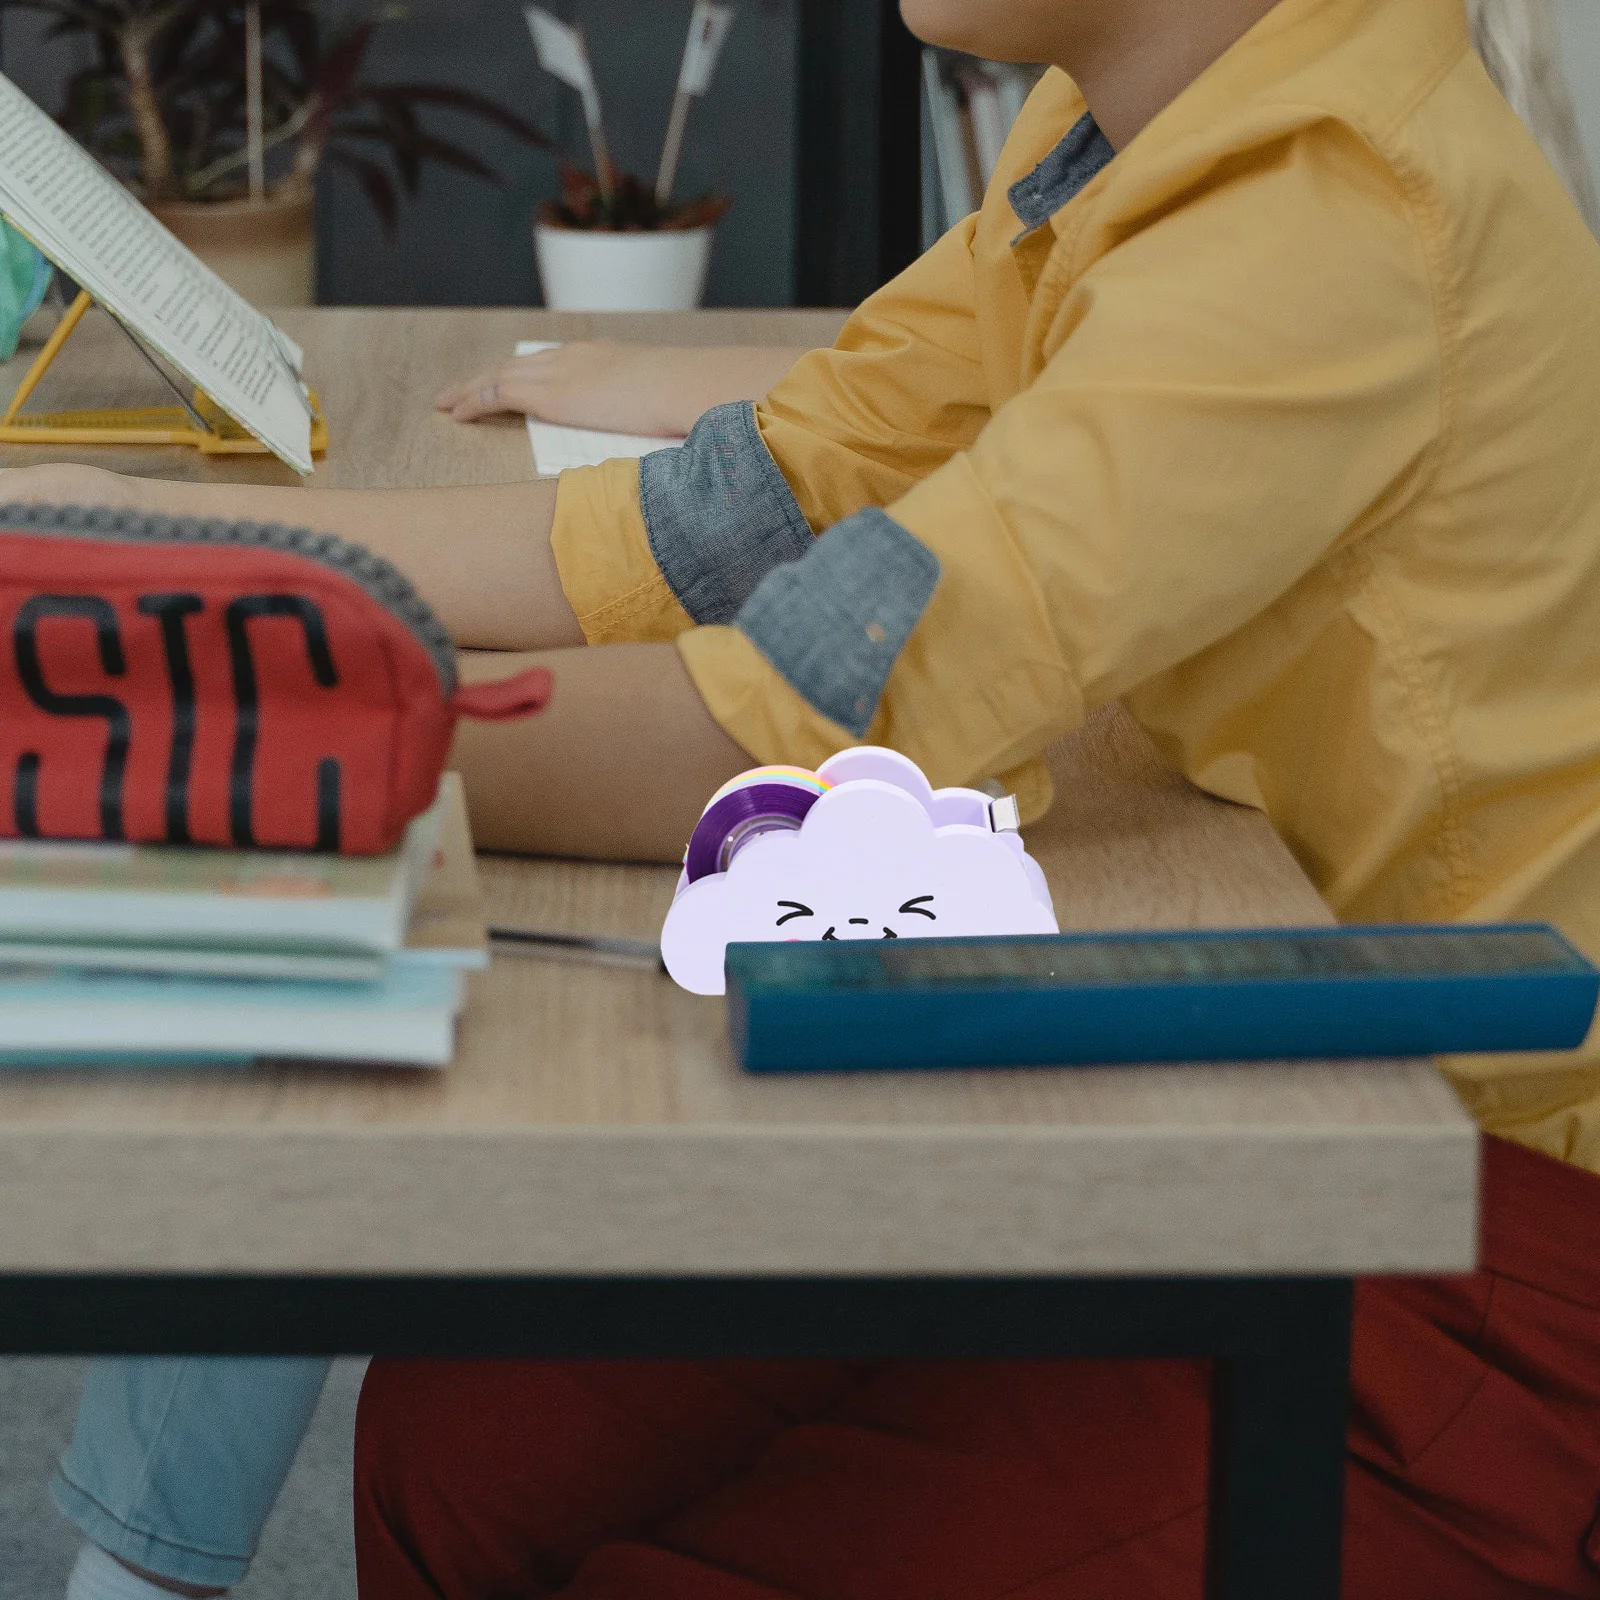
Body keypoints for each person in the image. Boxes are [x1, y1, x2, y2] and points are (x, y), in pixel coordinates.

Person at [18, 0, 1600, 1589]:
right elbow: (754, 509)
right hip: (1239, 1056)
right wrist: (175, 549)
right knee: (467, 1446)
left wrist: (214, 712)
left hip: (1466, 1248)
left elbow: (784, 725)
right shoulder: (1113, 136)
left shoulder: (1331, 223)